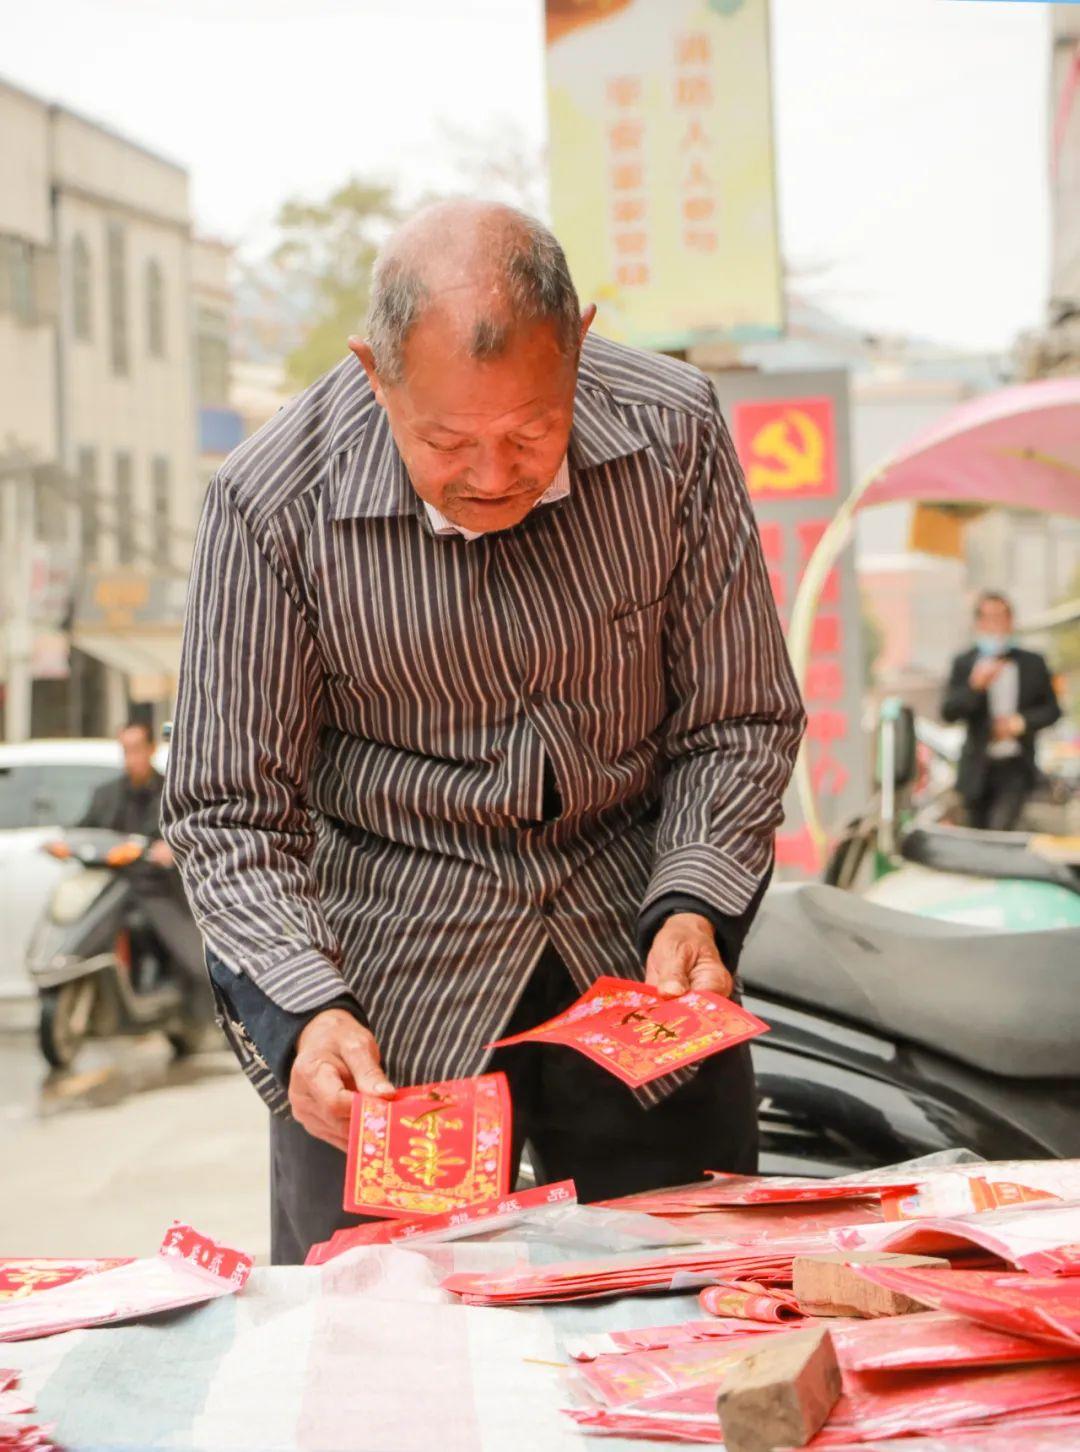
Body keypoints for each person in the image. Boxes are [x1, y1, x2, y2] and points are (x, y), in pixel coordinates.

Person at [162, 201, 806, 1264]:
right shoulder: (269, 502)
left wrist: (695, 900)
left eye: (533, 432)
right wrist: (307, 1013)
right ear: (374, 374)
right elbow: (228, 809)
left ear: (581, 345)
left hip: (638, 965)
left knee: (688, 1305)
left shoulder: (675, 429)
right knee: (386, 1335)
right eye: (447, 441)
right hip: (390, 992)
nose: (496, 475)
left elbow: (737, 715)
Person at [941, 591, 1061, 831]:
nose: (995, 625)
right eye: (989, 618)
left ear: (1011, 621)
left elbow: (1053, 710)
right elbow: (948, 713)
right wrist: (975, 687)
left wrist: (1019, 723)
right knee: (976, 835)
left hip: (1016, 765)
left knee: (1001, 827)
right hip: (977, 769)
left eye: (1001, 617)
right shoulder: (964, 663)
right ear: (978, 623)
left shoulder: (1033, 663)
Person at [80, 720, 173, 867]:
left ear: (152, 749)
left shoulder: (172, 794)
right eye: (126, 751)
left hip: (159, 877)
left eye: (137, 749)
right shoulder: (106, 795)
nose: (131, 759)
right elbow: (85, 833)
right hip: (116, 876)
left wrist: (170, 849)